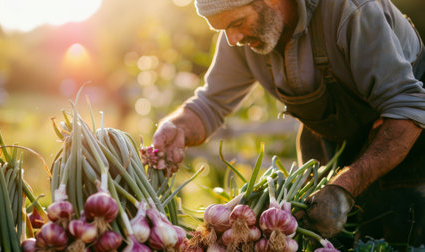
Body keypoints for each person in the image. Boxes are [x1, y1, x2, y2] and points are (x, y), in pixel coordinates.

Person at [152, 0, 425, 249]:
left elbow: (408, 106)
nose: (232, 39)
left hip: (405, 135)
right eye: (224, 29)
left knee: (403, 235)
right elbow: (209, 105)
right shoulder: (240, 39)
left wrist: (344, 187)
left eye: (236, 23)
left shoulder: (350, 11)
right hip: (331, 142)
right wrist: (178, 128)